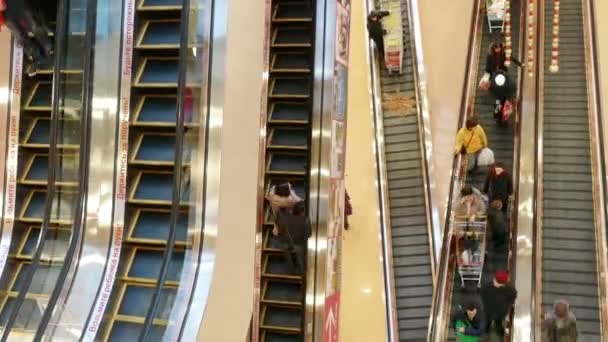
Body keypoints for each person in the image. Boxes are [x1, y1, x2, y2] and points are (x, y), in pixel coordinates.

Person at [1, 0, 54, 76]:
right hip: (5, 13)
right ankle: (36, 56)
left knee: (34, 24)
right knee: (20, 36)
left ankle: (48, 48)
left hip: (14, 3)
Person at [275, 201, 312, 275]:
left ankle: (291, 271)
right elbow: (308, 235)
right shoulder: (306, 220)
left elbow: (280, 232)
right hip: (298, 246)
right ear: (303, 211)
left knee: (287, 248)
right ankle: (302, 273)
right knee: (301, 250)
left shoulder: (287, 218)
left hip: (285, 245)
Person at [481, 270, 517, 336]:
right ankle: (499, 332)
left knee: (487, 321)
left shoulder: (486, 287)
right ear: (505, 282)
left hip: (488, 310)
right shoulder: (511, 290)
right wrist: (508, 314)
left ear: (495, 278)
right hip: (500, 312)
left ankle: (487, 330)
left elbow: (483, 297)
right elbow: (511, 302)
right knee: (498, 323)